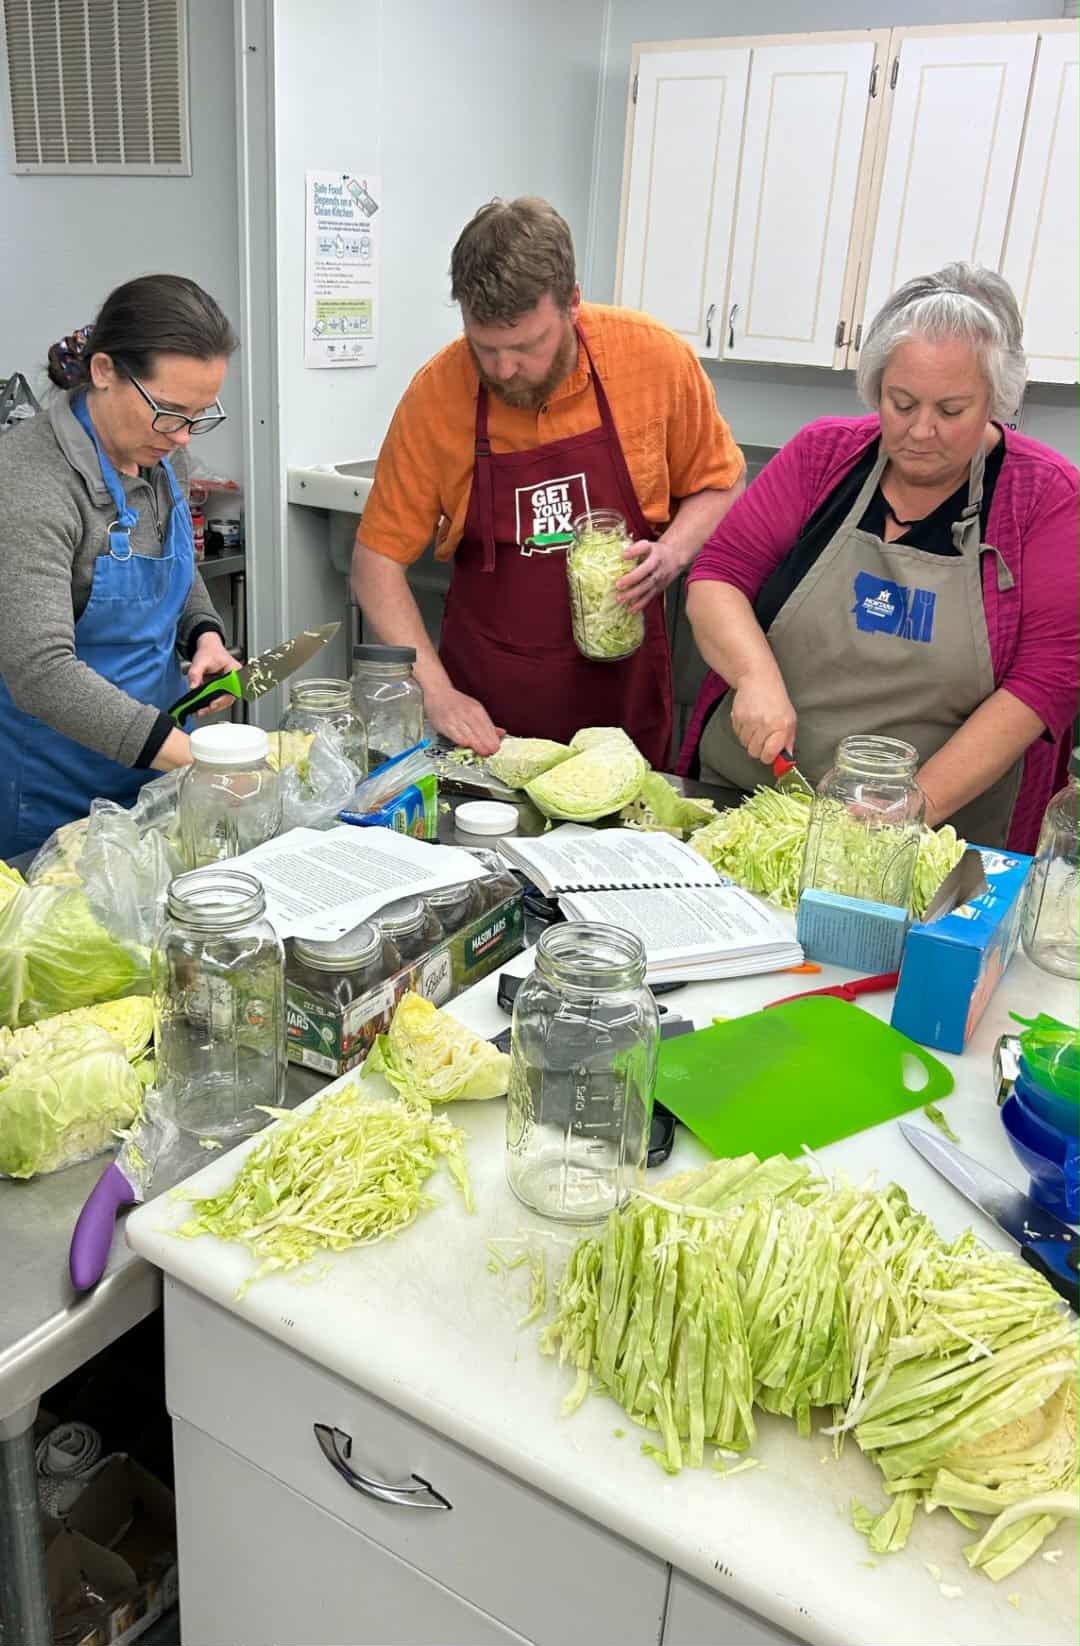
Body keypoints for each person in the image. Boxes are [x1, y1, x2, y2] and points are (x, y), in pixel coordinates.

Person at [679, 263, 1079, 852]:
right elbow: (717, 578)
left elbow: (1045, 683)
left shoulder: (1045, 497)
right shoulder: (822, 456)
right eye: (902, 402)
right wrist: (754, 677)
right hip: (756, 807)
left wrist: (912, 808)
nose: (920, 431)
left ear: (997, 399)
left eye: (951, 411)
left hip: (932, 838)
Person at [351, 197, 745, 767]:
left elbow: (721, 482)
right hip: (489, 719)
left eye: (528, 346)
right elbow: (376, 563)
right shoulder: (437, 395)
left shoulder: (652, 360)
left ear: (573, 304)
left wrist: (673, 554)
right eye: (485, 348)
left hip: (624, 705)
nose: (505, 370)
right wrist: (436, 693)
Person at [0, 274, 239, 857]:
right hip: (53, 799)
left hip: (152, 771)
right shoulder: (28, 481)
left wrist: (204, 635)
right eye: (171, 412)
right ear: (104, 371)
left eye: (200, 416)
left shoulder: (157, 454)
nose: (183, 438)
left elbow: (176, 573)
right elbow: (41, 670)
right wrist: (200, 760)